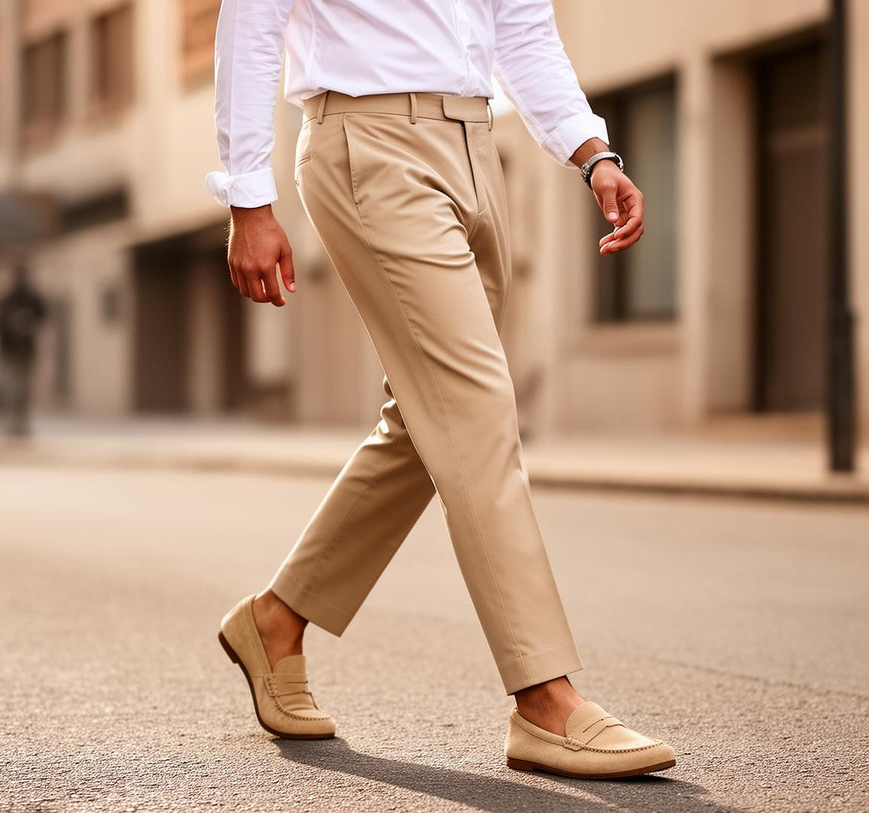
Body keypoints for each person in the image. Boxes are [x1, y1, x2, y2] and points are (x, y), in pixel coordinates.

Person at [208, 0, 671, 779]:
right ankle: (544, 700)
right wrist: (247, 197)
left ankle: (275, 619)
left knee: (428, 419)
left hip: (475, 142)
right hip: (366, 141)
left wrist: (592, 151)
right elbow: (251, 22)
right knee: (472, 410)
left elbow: (521, 25)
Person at [0, 266, 47, 439]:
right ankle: (9, 421)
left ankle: (20, 422)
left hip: (25, 352)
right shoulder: (6, 299)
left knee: (23, 390)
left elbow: (44, 315)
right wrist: (12, 323)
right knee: (10, 389)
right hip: (9, 352)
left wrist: (29, 323)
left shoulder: (32, 298)